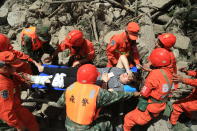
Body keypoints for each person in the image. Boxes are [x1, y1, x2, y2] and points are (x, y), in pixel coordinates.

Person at [56, 64, 140, 130]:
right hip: (85, 129)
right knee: (108, 123)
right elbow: (118, 96)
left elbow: (60, 104)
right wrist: (134, 94)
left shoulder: (71, 87)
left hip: (68, 125)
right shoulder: (97, 92)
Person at [123, 48, 174, 131]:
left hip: (151, 108)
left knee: (128, 118)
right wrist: (148, 70)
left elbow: (144, 93)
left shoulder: (154, 75)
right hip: (161, 104)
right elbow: (161, 77)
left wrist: (137, 92)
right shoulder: (169, 72)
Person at [23, 62, 135, 91]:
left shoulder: (119, 87)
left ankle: (34, 79)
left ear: (126, 83)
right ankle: (43, 69)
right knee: (64, 70)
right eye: (127, 74)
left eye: (127, 78)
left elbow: (105, 94)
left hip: (89, 82)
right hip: (86, 70)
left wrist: (105, 81)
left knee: (60, 80)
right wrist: (129, 70)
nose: (125, 75)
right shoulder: (118, 70)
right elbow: (122, 57)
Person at [0, 51, 39, 131]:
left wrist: (23, 79)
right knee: (30, 124)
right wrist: (19, 126)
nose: (16, 68)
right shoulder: (4, 85)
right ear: (5, 68)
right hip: (9, 113)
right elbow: (6, 111)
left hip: (13, 105)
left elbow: (13, 75)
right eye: (14, 66)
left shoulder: (5, 74)